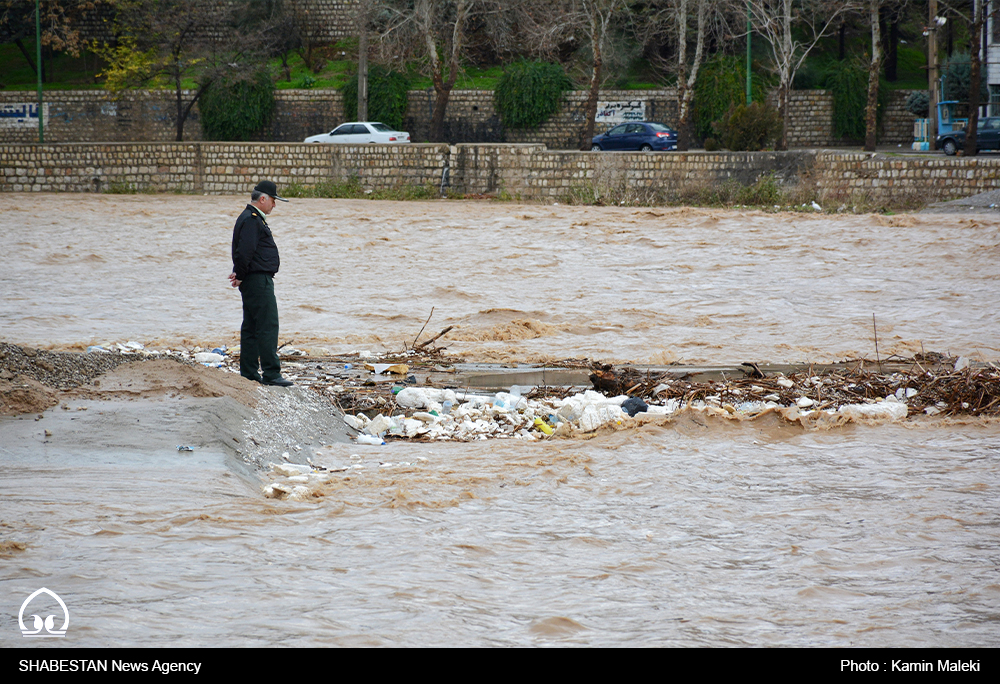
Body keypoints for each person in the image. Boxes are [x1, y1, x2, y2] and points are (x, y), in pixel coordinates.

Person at [229, 180, 293, 387]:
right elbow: (245, 250)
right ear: (263, 199)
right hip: (258, 279)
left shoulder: (250, 218)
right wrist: (239, 272)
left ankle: (249, 373)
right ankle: (271, 373)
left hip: (252, 278)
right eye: (274, 200)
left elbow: (243, 251)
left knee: (251, 326)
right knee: (267, 325)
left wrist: (240, 273)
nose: (275, 205)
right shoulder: (252, 219)